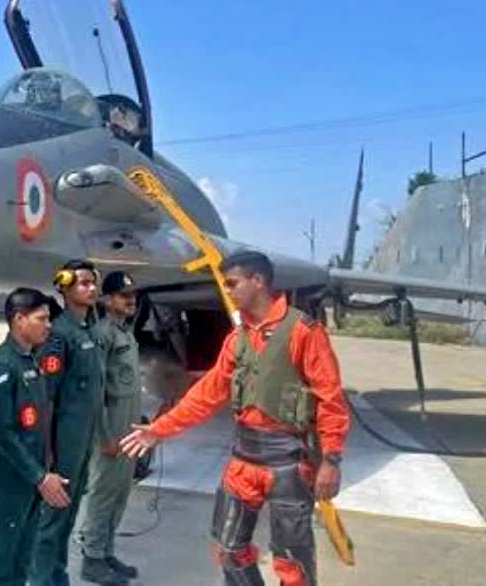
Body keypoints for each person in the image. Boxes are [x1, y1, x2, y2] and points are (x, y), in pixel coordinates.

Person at [120, 251, 350, 586]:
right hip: (243, 460)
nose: (226, 291)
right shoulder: (237, 339)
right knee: (228, 549)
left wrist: (330, 459)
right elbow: (206, 395)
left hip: (288, 463)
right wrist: (158, 430)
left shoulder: (303, 332)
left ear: (258, 281)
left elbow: (330, 399)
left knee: (292, 559)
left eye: (232, 283)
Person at [0, 288, 71, 585]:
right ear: (18, 319)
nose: (48, 325)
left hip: (31, 482)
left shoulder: (31, 361)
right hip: (9, 484)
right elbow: (1, 433)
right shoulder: (2, 365)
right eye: (41, 318)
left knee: (23, 559)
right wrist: (40, 477)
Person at [30, 260, 111, 586]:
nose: (91, 288)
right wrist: (48, 455)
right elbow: (45, 398)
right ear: (63, 288)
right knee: (51, 520)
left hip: (81, 443)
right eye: (83, 283)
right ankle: (40, 580)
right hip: (62, 446)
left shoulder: (85, 331)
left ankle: (57, 575)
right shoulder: (59, 335)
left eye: (93, 283)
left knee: (68, 517)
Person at [78, 271, 143, 583]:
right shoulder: (101, 334)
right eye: (122, 295)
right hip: (112, 425)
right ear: (106, 300)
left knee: (120, 493)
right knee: (103, 493)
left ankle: (106, 552)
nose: (130, 300)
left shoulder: (126, 333)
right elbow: (96, 389)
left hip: (129, 425)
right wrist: (105, 436)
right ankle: (91, 558)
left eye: (132, 295)